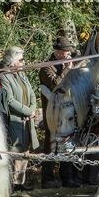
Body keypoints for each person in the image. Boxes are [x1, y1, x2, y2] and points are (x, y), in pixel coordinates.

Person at [38, 37, 80, 189]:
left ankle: (69, 176)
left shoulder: (71, 62)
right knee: (51, 145)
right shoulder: (46, 67)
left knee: (69, 143)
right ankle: (47, 179)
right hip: (53, 113)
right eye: (65, 51)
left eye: (69, 51)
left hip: (70, 111)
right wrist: (68, 69)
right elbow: (56, 85)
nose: (68, 54)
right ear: (57, 52)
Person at [0, 46, 39, 189]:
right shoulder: (4, 75)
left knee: (26, 150)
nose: (23, 62)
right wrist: (28, 111)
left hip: (27, 119)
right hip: (15, 119)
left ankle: (20, 182)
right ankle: (12, 183)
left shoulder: (21, 74)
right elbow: (9, 99)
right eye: (21, 59)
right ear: (13, 61)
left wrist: (32, 109)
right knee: (15, 150)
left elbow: (32, 93)